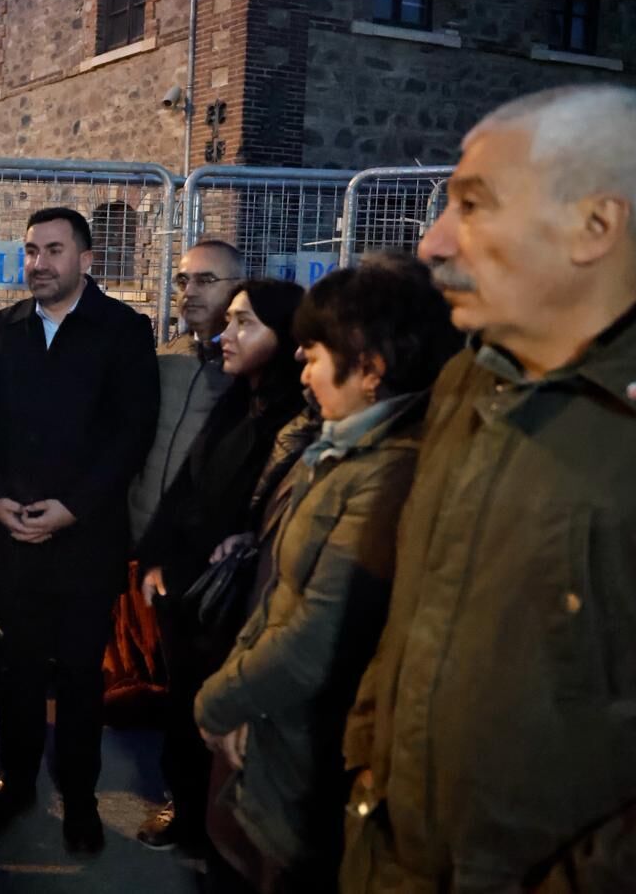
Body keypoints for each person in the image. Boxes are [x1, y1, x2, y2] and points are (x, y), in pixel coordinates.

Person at [344, 84, 636, 892]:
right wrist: (365, 761)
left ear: (598, 225)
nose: (433, 243)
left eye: (474, 205)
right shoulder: (467, 381)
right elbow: (419, 608)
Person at [192, 258, 459, 893]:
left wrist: (219, 701)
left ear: (370, 369)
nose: (304, 372)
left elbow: (314, 634)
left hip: (306, 746)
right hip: (272, 725)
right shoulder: (336, 446)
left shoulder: (387, 475)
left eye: (314, 355)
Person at [0, 206, 159, 854]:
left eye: (53, 250)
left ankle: (80, 800)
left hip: (84, 541)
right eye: (30, 251)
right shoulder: (2, 330)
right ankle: (17, 785)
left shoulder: (125, 332)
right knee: (15, 671)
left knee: (79, 676)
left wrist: (70, 508)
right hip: (10, 537)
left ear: (87, 259)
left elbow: (131, 435)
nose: (38, 263)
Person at [134, 278, 307, 859]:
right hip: (189, 591)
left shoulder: (297, 420)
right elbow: (187, 487)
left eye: (244, 324)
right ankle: (185, 810)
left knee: (227, 716)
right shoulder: (236, 399)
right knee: (185, 707)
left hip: (240, 601)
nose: (226, 336)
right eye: (229, 321)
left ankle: (219, 829)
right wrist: (156, 557)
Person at [128, 240, 242, 548]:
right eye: (182, 281)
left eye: (205, 280)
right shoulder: (164, 358)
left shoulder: (250, 371)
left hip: (199, 550)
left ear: (238, 287)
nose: (189, 291)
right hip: (135, 540)